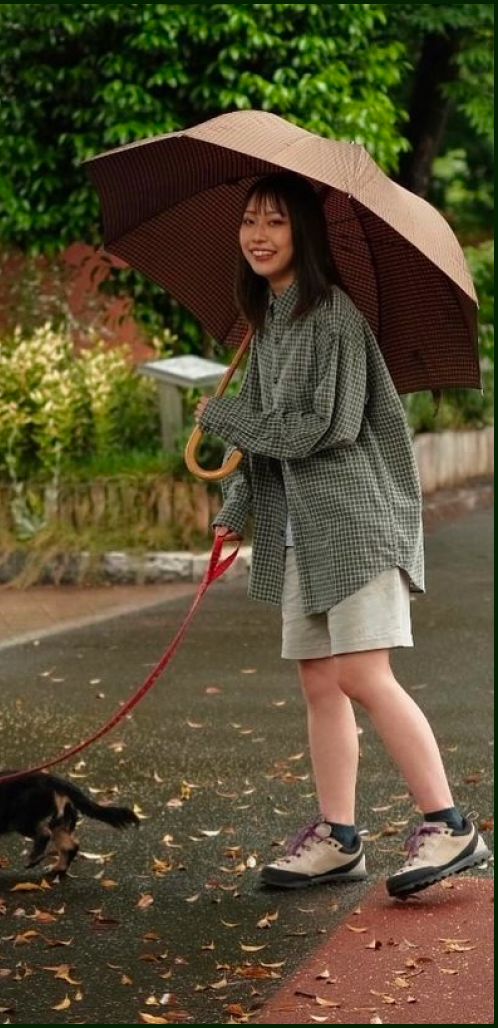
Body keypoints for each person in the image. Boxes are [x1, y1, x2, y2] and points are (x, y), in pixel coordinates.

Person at [194, 171, 491, 898]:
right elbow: (264, 445)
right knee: (320, 683)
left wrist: (221, 415)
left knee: (362, 675)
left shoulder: (332, 318)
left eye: (275, 223)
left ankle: (449, 823)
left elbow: (316, 429)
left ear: (304, 233)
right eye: (249, 223)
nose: (258, 236)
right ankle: (338, 837)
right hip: (304, 530)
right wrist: (235, 512)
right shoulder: (270, 322)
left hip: (357, 523)